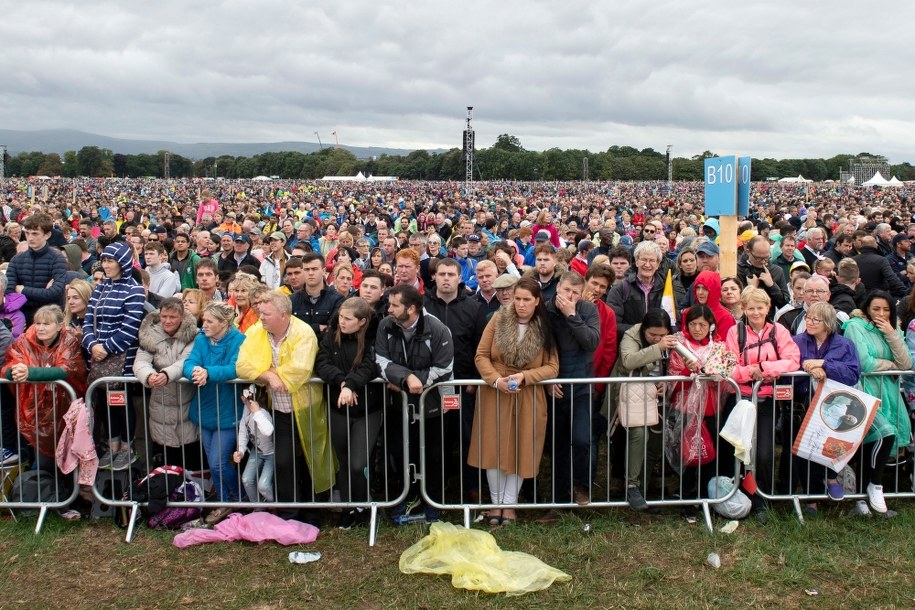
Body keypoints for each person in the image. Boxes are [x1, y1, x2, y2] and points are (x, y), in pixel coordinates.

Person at [237, 292, 336, 525]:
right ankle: (289, 515)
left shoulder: (303, 332)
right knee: (283, 462)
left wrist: (265, 370)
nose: (261, 317)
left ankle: (312, 515)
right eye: (260, 312)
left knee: (310, 461)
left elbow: (299, 370)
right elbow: (242, 365)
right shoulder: (256, 331)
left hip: (307, 408)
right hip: (279, 411)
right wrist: (269, 376)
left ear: (283, 315)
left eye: (266, 313)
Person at [468, 277, 559, 525]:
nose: (520, 304)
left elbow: (552, 367)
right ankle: (495, 504)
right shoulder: (498, 319)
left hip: (527, 394)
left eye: (526, 299)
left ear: (537, 301)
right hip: (494, 393)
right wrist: (495, 380)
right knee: (493, 447)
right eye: (517, 298)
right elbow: (481, 355)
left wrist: (525, 377)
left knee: (521, 447)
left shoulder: (544, 327)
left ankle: (510, 505)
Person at [376, 284, 453, 523]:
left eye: (394, 305)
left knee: (434, 456)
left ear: (411, 308)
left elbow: (444, 368)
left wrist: (410, 380)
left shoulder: (438, 329)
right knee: (402, 453)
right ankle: (408, 497)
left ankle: (433, 503)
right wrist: (405, 378)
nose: (389, 309)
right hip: (400, 405)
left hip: (434, 406)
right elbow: (381, 361)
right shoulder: (385, 325)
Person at [723, 288, 801, 522]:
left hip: (766, 401)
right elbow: (729, 367)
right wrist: (751, 372)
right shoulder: (735, 332)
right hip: (740, 399)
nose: (756, 313)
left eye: (760, 308)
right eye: (751, 308)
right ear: (744, 309)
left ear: (768, 308)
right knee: (738, 451)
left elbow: (792, 360)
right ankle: (736, 496)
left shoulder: (779, 331)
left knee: (764, 454)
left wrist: (765, 369)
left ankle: (761, 500)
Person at [841, 291, 912, 517]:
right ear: (867, 309)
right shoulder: (855, 326)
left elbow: (906, 363)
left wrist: (891, 333)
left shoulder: (893, 328)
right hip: (865, 392)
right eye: (876, 309)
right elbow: (865, 363)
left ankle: (867, 495)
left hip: (888, 393)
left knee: (878, 443)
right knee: (877, 437)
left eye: (886, 309)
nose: (881, 314)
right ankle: (869, 492)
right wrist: (891, 365)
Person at [315, 297, 381, 529]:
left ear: (361, 321)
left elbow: (370, 366)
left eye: (348, 319)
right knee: (343, 462)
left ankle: (363, 505)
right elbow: (321, 363)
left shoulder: (373, 337)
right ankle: (348, 507)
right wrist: (343, 383)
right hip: (339, 408)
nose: (342, 322)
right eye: (341, 317)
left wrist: (352, 385)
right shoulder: (331, 336)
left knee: (358, 463)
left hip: (367, 409)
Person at [82, 241, 146, 471]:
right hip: (99, 357)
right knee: (105, 405)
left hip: (121, 360)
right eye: (105, 261)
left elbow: (130, 328)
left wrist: (107, 348)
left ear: (122, 263)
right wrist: (92, 345)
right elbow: (88, 320)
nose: (107, 265)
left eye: (111, 261)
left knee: (121, 404)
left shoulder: (134, 289)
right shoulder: (100, 288)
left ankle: (127, 449)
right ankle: (112, 447)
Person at [791, 302, 860, 513]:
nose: (810, 322)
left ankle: (831, 478)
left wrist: (824, 365)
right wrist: (809, 367)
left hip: (834, 407)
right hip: (805, 403)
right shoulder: (797, 341)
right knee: (807, 449)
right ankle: (811, 498)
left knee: (829, 446)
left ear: (828, 323)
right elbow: (791, 364)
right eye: (808, 318)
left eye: (816, 319)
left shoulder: (845, 344)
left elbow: (852, 373)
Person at [183, 301, 247, 524]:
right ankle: (223, 501)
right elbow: (190, 361)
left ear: (224, 323)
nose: (204, 325)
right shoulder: (202, 339)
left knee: (219, 462)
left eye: (210, 321)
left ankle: (240, 498)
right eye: (204, 320)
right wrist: (195, 371)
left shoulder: (239, 340)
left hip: (227, 411)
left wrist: (208, 372)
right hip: (205, 409)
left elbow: (235, 368)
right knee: (213, 464)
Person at [607, 308, 676, 513]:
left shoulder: (672, 339)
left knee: (654, 444)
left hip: (656, 397)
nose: (657, 338)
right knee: (638, 434)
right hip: (631, 396)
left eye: (662, 335)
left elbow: (673, 366)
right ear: (643, 329)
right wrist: (658, 347)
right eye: (652, 334)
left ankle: (642, 493)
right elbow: (628, 360)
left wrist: (666, 383)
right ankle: (632, 485)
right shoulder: (632, 335)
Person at [2, 305, 87, 467]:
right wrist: (14, 372)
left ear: (59, 326)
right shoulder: (25, 340)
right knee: (40, 461)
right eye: (38, 323)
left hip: (64, 407)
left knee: (66, 458)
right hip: (33, 409)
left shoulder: (69, 341)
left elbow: (67, 368)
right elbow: (10, 364)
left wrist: (30, 373)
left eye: (46, 324)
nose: (40, 328)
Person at [667, 305, 733, 511]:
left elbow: (725, 379)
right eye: (693, 324)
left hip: (711, 409)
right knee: (688, 454)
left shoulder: (718, 347)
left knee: (710, 453)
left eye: (702, 325)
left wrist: (715, 374)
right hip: (686, 408)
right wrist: (688, 371)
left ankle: (706, 497)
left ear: (710, 326)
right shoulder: (680, 346)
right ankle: (686, 499)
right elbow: (673, 380)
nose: (697, 329)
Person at [133, 297, 201, 470]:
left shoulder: (194, 335)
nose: (167, 321)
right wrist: (149, 376)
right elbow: (140, 362)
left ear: (181, 317)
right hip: (160, 406)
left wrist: (166, 374)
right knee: (167, 466)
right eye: (164, 316)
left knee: (192, 462)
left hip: (188, 404)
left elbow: (187, 361)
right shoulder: (150, 334)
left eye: (172, 317)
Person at [4, 212, 68, 324]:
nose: (30, 238)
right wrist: (42, 293)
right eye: (27, 233)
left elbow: (54, 293)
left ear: (47, 235)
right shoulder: (17, 259)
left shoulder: (57, 259)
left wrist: (22, 290)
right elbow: (9, 291)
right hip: (23, 316)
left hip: (49, 318)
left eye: (35, 234)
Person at [606, 241, 665, 338]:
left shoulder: (665, 288)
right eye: (643, 260)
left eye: (652, 261)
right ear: (636, 261)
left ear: (658, 264)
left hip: (659, 342)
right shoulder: (620, 289)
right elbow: (613, 324)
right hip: (630, 342)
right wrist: (643, 332)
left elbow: (674, 321)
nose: (647, 265)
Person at [233, 391, 275, 503]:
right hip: (257, 451)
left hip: (271, 453)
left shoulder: (262, 412)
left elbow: (268, 431)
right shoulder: (246, 409)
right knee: (246, 479)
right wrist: (240, 451)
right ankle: (258, 507)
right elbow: (243, 432)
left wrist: (257, 413)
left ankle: (275, 507)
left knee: (263, 485)